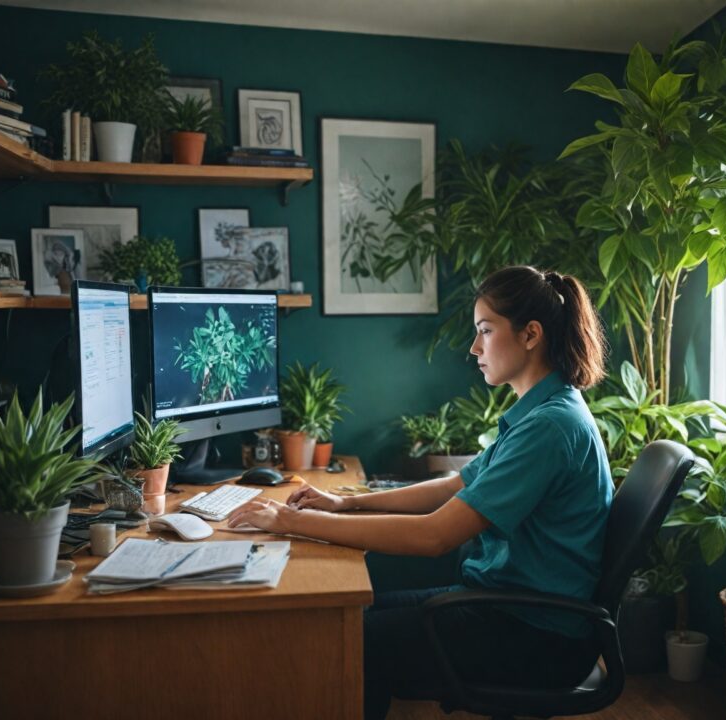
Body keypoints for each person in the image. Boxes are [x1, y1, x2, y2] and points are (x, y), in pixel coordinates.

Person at [228, 265, 613, 720]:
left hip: (537, 636)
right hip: (512, 610)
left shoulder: (549, 426)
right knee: (348, 616)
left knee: (353, 637)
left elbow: (435, 536)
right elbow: (453, 486)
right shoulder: (543, 412)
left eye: (485, 331)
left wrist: (294, 521)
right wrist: (345, 503)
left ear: (531, 334)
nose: (474, 348)